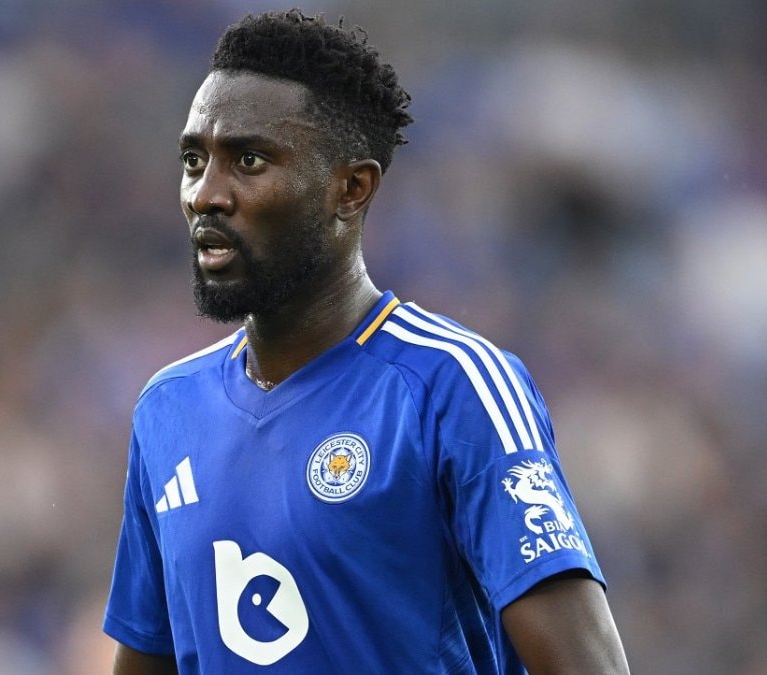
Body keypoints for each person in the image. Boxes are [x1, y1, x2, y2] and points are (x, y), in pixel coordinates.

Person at [104, 10, 629, 674]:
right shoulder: (167, 409)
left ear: (350, 189)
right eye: (193, 160)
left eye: (249, 160)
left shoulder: (453, 386)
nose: (206, 194)